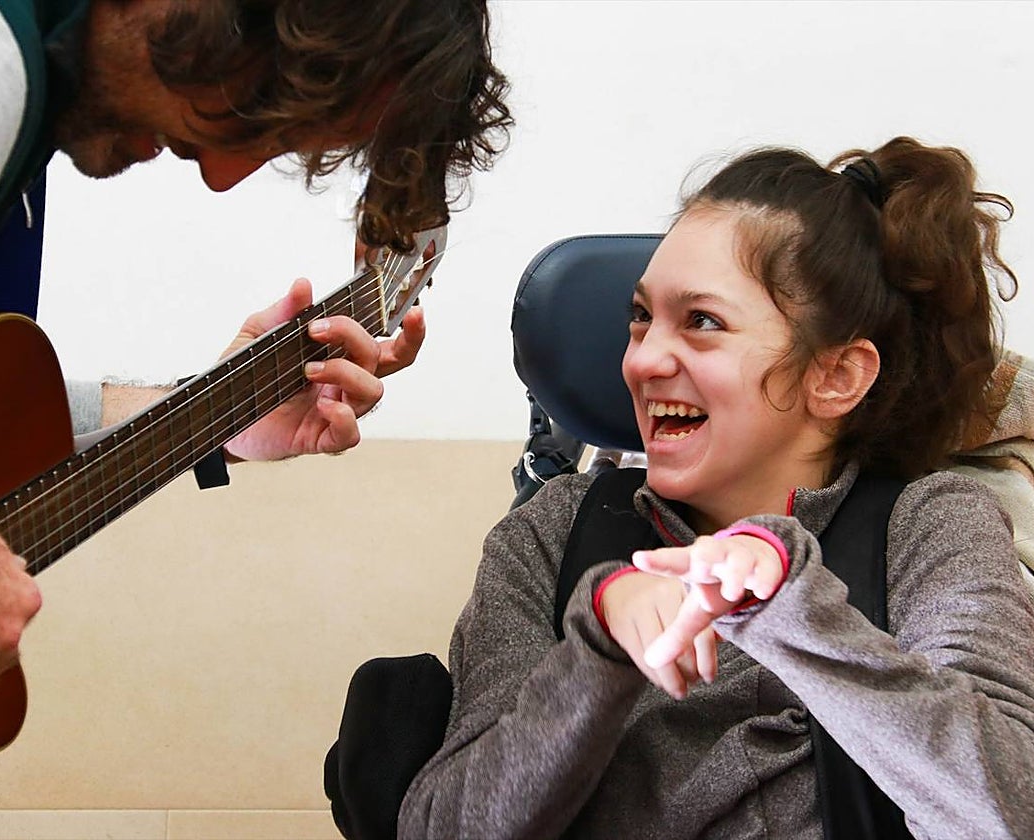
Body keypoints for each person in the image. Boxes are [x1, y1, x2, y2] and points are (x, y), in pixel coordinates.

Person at [0, 0, 511, 719]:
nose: (223, 174)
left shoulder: (13, 88)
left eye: (284, 144)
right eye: (261, 107)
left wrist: (213, 413)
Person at [398, 137, 1034, 838]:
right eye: (641, 316)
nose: (643, 359)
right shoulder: (551, 535)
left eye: (702, 322)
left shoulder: (933, 528)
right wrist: (598, 648)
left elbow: (1009, 810)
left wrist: (792, 609)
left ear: (836, 376)